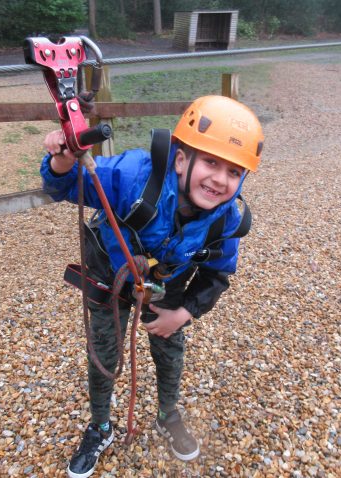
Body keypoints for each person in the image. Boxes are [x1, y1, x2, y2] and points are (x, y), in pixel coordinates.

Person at [40, 95, 264, 478]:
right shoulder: (133, 177)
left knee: (170, 349)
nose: (219, 179)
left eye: (233, 171)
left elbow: (217, 275)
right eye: (210, 162)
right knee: (104, 352)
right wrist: (63, 159)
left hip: (167, 285)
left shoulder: (226, 220)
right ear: (180, 159)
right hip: (111, 278)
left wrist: (184, 312)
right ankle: (100, 425)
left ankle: (167, 414)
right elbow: (69, 185)